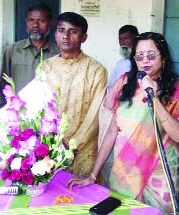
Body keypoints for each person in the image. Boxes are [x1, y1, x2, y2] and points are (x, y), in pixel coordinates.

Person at [67, 32, 179, 214]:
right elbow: (112, 132)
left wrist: (153, 98)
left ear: (164, 57)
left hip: (159, 175)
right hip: (126, 172)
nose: (145, 61)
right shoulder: (124, 84)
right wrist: (93, 173)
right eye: (139, 56)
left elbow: (177, 134)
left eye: (152, 56)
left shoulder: (178, 92)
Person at [40, 12, 107, 177]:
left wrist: (72, 144)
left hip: (83, 149)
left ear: (84, 37)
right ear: (55, 33)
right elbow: (38, 107)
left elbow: (95, 113)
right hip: (49, 145)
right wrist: (48, 141)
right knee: (49, 192)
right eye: (61, 30)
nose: (66, 36)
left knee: (82, 195)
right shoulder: (44, 67)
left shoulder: (96, 70)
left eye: (73, 31)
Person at [0, 3, 59, 107]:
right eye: (31, 20)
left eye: (41, 21)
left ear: (50, 23)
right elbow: (4, 84)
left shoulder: (58, 53)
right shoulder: (12, 50)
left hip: (47, 115)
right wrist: (3, 109)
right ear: (26, 22)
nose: (35, 25)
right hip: (18, 112)